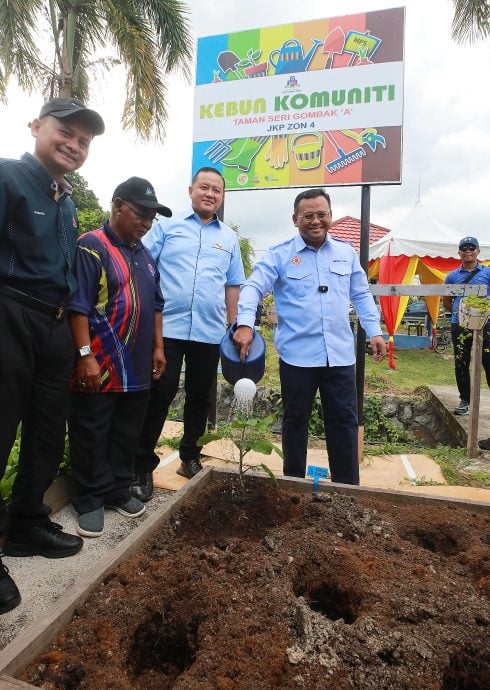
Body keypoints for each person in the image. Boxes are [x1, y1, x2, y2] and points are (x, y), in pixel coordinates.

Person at [0, 97, 104, 613]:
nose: (74, 145)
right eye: (66, 132)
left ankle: (27, 523)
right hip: (11, 314)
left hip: (57, 325)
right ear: (36, 126)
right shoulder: (7, 177)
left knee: (46, 431)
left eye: (84, 141)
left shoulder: (64, 198)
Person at [233, 188, 386, 484]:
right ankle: (294, 486)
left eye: (322, 215)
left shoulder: (346, 252)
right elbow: (252, 288)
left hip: (339, 357)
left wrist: (375, 331)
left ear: (331, 216)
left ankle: (347, 492)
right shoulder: (279, 255)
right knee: (295, 423)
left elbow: (362, 294)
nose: (316, 221)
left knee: (344, 424)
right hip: (297, 358)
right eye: (308, 216)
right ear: (295, 219)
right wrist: (244, 324)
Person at [130, 167, 245, 500]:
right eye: (204, 187)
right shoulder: (167, 226)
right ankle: (141, 466)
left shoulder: (230, 238)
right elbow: (143, 265)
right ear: (191, 190)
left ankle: (190, 457)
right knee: (160, 394)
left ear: (222, 197)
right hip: (166, 328)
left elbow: (232, 283)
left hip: (209, 333)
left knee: (199, 398)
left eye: (217, 191)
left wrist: (234, 324)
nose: (210, 194)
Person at [68, 178, 170, 537]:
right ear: (117, 205)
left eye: (151, 218)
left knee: (128, 430)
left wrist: (158, 347)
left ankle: (116, 489)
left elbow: (157, 305)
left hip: (138, 365)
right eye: (140, 213)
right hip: (101, 363)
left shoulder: (144, 254)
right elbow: (77, 305)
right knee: (92, 430)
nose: (145, 222)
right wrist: (84, 356)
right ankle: (90, 498)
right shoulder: (92, 246)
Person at [443, 237, 490, 442]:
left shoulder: (487, 273)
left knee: (487, 362)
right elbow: (446, 301)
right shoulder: (452, 276)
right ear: (459, 252)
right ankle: (465, 399)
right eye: (464, 248)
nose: (468, 251)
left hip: (484, 323)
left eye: (472, 248)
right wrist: (458, 313)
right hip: (459, 322)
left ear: (478, 251)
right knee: (461, 361)